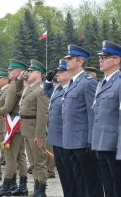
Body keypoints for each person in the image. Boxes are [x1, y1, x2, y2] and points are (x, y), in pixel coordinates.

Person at [63, 44, 104, 197]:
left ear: (80, 62)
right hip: (71, 141)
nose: (66, 60)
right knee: (79, 181)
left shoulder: (88, 83)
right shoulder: (72, 83)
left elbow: (93, 114)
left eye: (70, 58)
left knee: (91, 182)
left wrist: (91, 140)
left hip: (83, 142)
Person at [0, 59, 29, 196]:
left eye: (11, 70)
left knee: (10, 156)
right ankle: (20, 186)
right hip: (17, 124)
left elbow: (8, 107)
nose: (9, 72)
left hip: (12, 124)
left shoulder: (14, 86)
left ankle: (8, 185)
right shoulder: (20, 85)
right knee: (18, 156)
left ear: (19, 72)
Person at [44, 59, 78, 197]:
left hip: (67, 139)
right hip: (57, 139)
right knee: (63, 175)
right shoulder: (58, 89)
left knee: (72, 175)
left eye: (61, 71)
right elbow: (47, 92)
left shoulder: (72, 88)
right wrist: (47, 81)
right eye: (57, 71)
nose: (57, 73)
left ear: (70, 74)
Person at [92, 40, 121, 197]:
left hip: (114, 147)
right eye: (100, 56)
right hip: (101, 144)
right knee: (108, 188)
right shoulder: (101, 83)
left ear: (116, 60)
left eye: (105, 56)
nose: (100, 59)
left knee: (117, 189)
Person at [19, 59, 49, 197]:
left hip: (35, 130)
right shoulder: (29, 88)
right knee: (32, 161)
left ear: (39, 73)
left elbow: (43, 115)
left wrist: (40, 134)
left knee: (39, 160)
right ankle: (36, 187)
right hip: (26, 129)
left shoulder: (41, 90)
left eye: (31, 72)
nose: (28, 74)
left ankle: (41, 190)